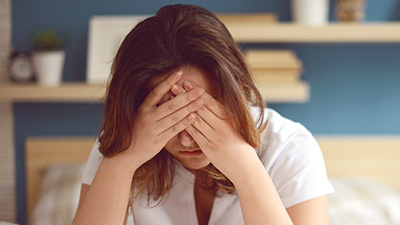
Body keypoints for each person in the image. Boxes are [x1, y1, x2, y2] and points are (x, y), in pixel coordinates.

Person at [73, 4, 334, 225]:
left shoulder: (291, 148)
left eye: (202, 111)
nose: (187, 139)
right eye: (169, 115)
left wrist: (245, 167)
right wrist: (123, 160)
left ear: (236, 94)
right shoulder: (122, 140)